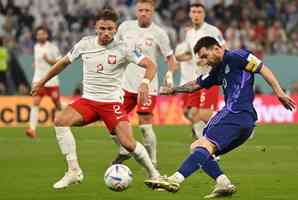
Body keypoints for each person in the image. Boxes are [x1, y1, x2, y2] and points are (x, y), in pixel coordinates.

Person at [144, 36, 296, 198]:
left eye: (205, 56)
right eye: (200, 58)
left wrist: (279, 93)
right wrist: (173, 90)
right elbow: (195, 85)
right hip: (245, 122)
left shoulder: (237, 56)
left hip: (236, 113)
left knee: (203, 145)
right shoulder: (217, 70)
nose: (204, 61)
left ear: (216, 49)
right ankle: (223, 182)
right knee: (198, 148)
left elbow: (262, 68)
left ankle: (175, 179)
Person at [31, 9, 160, 189]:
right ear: (95, 28)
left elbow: (150, 65)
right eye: (102, 28)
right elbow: (62, 63)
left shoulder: (124, 48)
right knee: (60, 120)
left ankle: (155, 175)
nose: (106, 32)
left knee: (129, 144)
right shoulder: (85, 44)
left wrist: (145, 82)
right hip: (88, 101)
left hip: (112, 103)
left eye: (110, 29)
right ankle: (73, 171)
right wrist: (42, 81)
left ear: (115, 29)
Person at [111, 0, 177, 167]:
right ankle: (124, 149)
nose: (143, 13)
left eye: (147, 10)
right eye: (140, 10)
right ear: (135, 11)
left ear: (152, 12)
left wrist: (169, 75)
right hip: (125, 85)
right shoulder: (125, 27)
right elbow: (114, 49)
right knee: (112, 122)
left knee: (144, 127)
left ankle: (153, 162)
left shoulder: (159, 33)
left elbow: (170, 59)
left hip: (148, 86)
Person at [175, 3, 225, 139]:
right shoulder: (190, 33)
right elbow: (191, 54)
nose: (196, 15)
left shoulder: (212, 30)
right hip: (197, 78)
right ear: (190, 15)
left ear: (204, 14)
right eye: (194, 12)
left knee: (202, 115)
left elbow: (223, 50)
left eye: (199, 12)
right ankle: (204, 143)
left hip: (210, 77)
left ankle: (211, 145)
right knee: (190, 113)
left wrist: (208, 60)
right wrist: (176, 58)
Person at [26, 26, 62, 138]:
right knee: (35, 102)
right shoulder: (36, 46)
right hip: (38, 80)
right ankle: (32, 129)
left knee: (58, 105)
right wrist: (35, 64)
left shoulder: (52, 47)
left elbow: (59, 62)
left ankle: (63, 125)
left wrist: (48, 60)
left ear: (46, 35)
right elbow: (37, 60)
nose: (40, 36)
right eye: (38, 34)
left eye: (42, 34)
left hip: (51, 81)